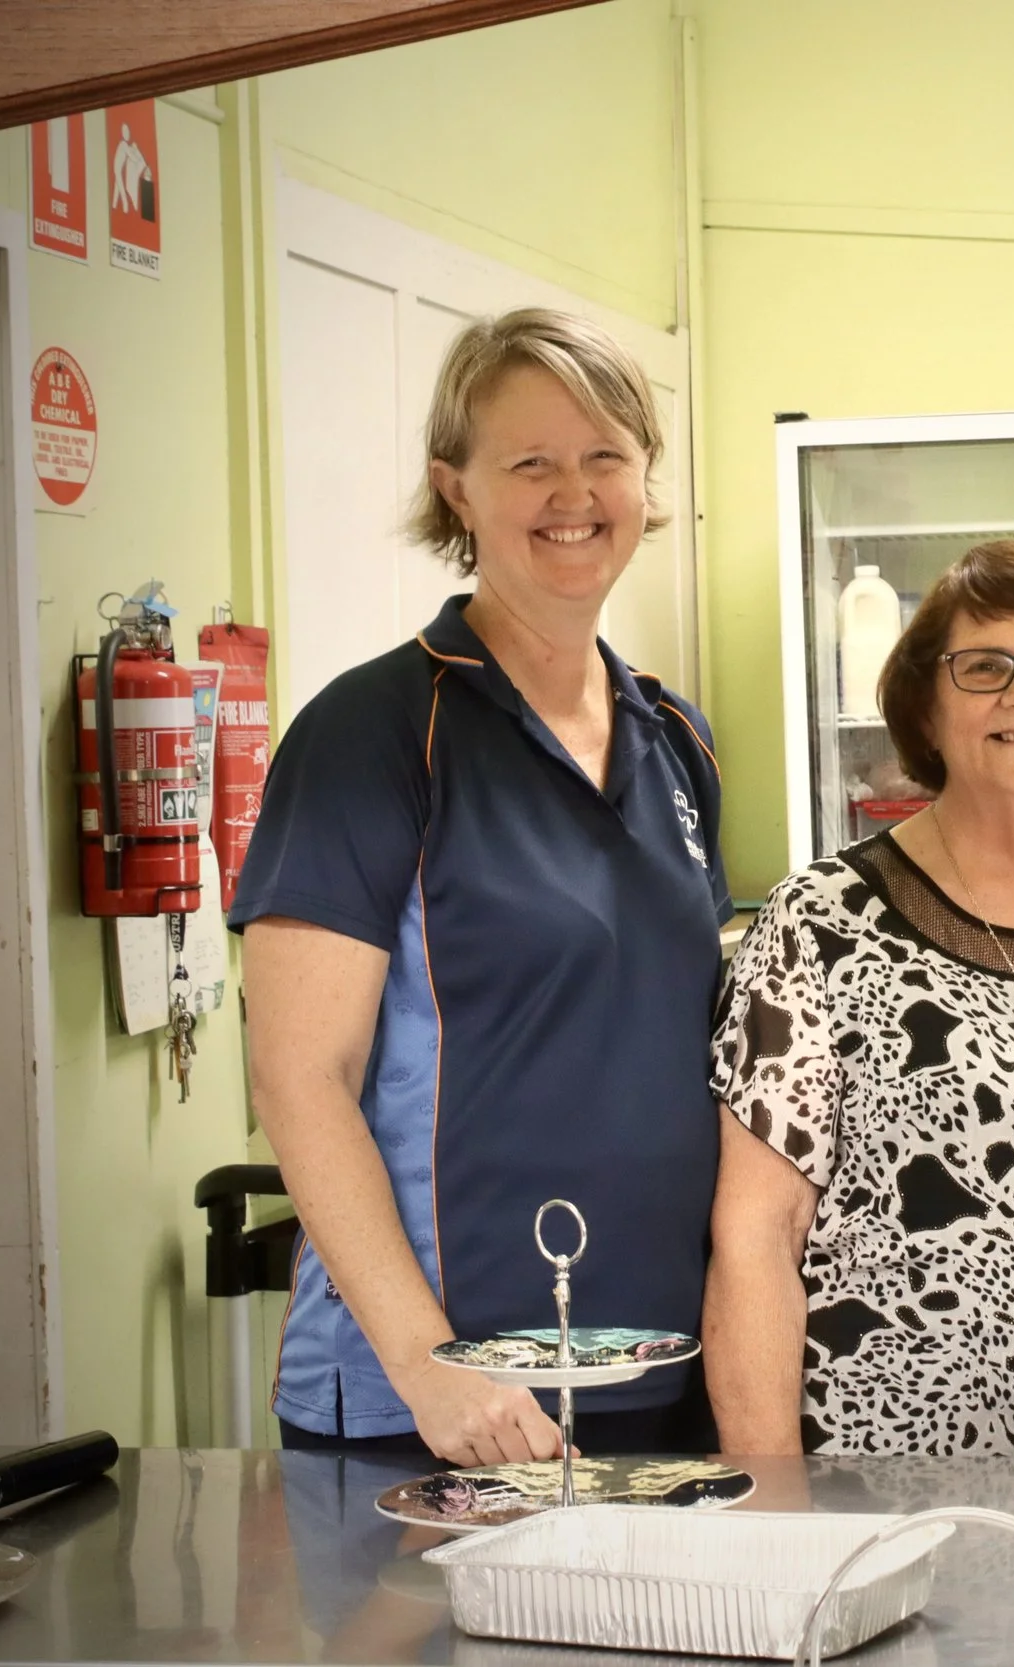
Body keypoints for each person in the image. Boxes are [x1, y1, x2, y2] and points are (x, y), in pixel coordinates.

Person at [233, 308, 729, 1462]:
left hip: (653, 1374)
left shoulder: (676, 738)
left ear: (644, 479)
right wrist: (432, 1368)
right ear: (454, 487)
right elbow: (301, 1073)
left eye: (605, 454)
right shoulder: (372, 731)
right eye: (531, 461)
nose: (576, 491)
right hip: (441, 1404)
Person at [705, 541, 1014, 1455]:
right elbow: (755, 1240)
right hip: (882, 1480)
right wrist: (770, 1506)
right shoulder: (820, 921)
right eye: (983, 668)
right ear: (926, 711)